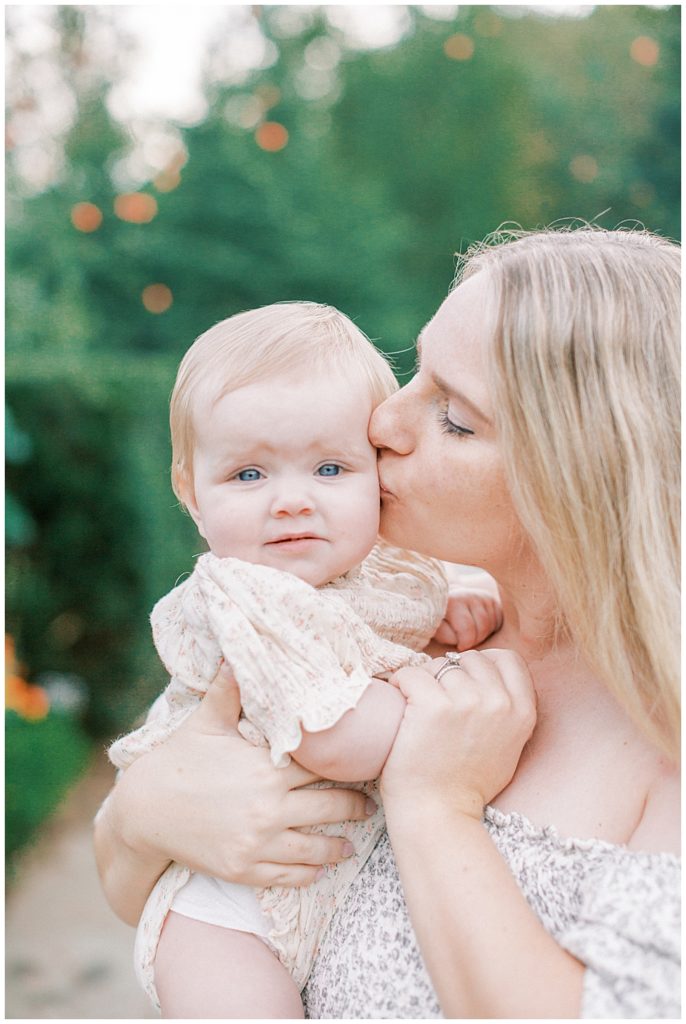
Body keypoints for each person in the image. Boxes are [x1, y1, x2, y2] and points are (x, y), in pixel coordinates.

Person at [95, 226, 680, 1019]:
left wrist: (434, 805)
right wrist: (137, 818)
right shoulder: (427, 618)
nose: (381, 425)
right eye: (416, 376)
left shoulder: (662, 747)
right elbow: (151, 889)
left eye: (455, 417)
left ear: (581, 472)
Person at [105, 300, 503, 1017]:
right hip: (224, 916)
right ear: (190, 491)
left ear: (376, 475)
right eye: (250, 476)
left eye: (328, 468)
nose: (291, 502)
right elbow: (339, 736)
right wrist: (446, 683)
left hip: (313, 887)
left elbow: (384, 615)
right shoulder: (248, 595)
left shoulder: (379, 571)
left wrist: (443, 607)